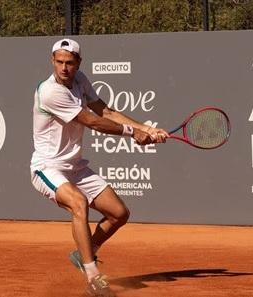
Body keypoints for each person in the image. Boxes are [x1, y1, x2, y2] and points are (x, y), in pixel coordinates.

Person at [30, 38, 168, 296]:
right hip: (47, 168)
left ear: (78, 63)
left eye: (69, 63)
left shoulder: (80, 79)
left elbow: (104, 111)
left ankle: (85, 251)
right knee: (78, 203)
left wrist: (146, 129)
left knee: (119, 213)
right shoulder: (50, 92)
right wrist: (132, 133)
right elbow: (91, 121)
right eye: (59, 62)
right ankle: (93, 276)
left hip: (75, 166)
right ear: (52, 61)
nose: (64, 68)